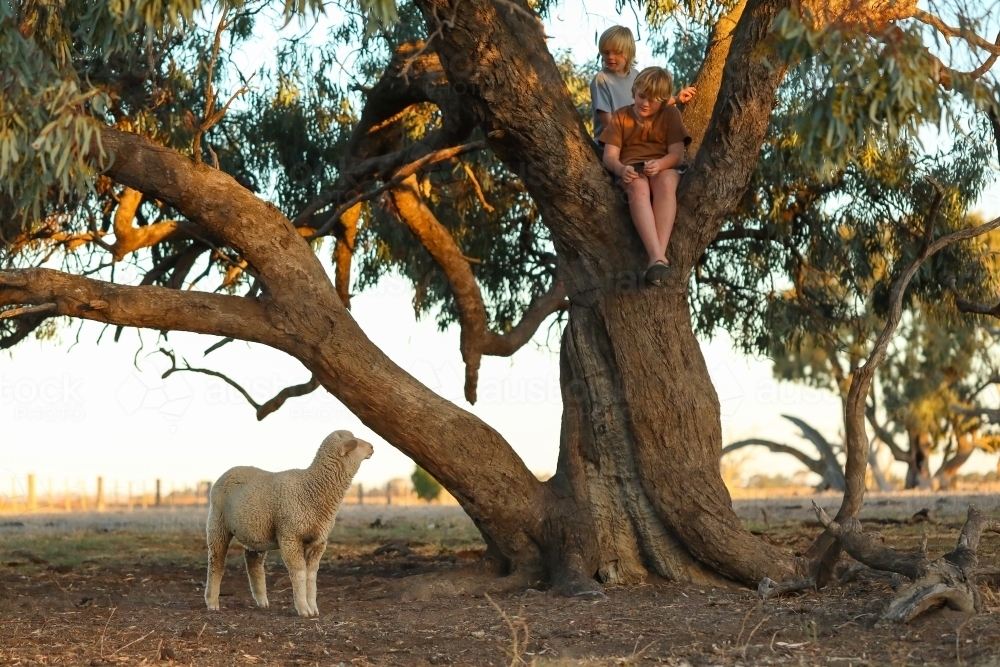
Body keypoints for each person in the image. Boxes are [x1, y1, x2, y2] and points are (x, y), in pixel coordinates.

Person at [599, 66, 691, 287]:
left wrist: (660, 164)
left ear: (664, 100)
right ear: (633, 91)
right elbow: (609, 157)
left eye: (654, 100)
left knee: (667, 182)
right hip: (631, 169)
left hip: (663, 167)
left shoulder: (670, 114)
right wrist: (621, 169)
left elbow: (677, 155)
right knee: (638, 188)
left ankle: (656, 258)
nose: (646, 104)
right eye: (641, 96)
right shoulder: (621, 115)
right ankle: (657, 257)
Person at [590, 26, 696, 148]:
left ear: (628, 52)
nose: (610, 57)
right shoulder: (601, 80)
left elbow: (649, 103)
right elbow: (608, 124)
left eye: (617, 52)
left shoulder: (636, 75)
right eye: (606, 52)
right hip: (612, 145)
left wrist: (677, 99)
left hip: (635, 142)